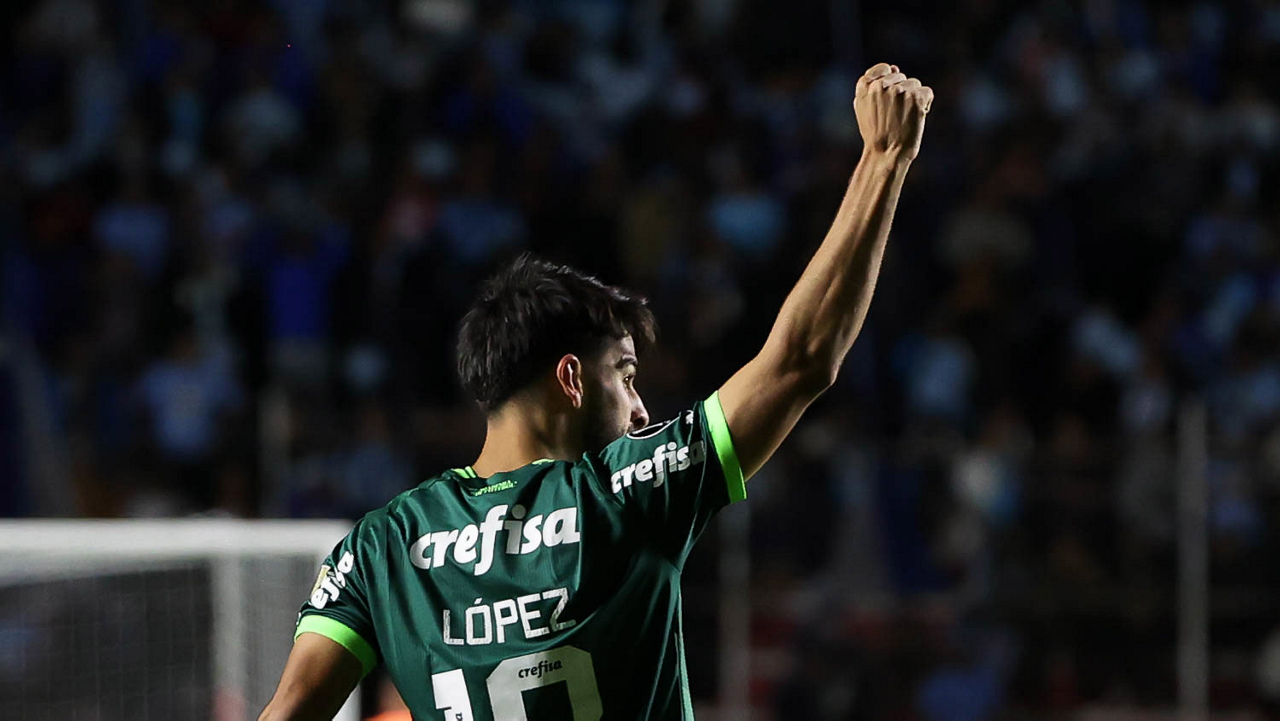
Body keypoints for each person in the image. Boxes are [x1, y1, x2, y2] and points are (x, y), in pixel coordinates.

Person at [259, 62, 932, 721]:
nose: (641, 409)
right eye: (626, 375)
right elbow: (800, 361)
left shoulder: (381, 545)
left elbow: (289, 709)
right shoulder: (624, 493)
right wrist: (884, 159)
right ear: (572, 379)